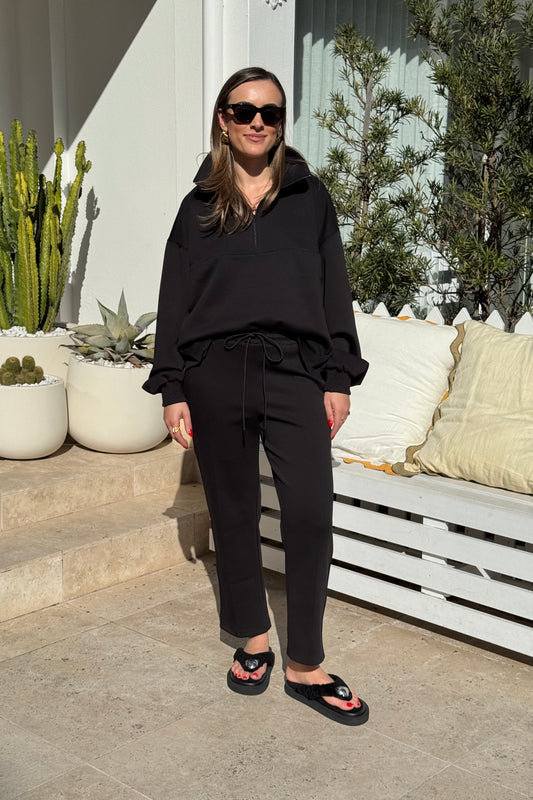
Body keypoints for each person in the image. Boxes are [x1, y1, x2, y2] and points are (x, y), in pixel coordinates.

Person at [143, 67, 369, 726]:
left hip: (295, 370)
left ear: (280, 122)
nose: (256, 122)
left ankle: (305, 663)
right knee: (233, 512)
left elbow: (334, 289)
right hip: (215, 372)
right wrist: (174, 386)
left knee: (307, 512)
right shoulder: (198, 209)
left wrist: (335, 376)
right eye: (243, 111)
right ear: (222, 119)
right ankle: (252, 636)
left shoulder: (309, 197)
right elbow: (173, 300)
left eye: (269, 113)